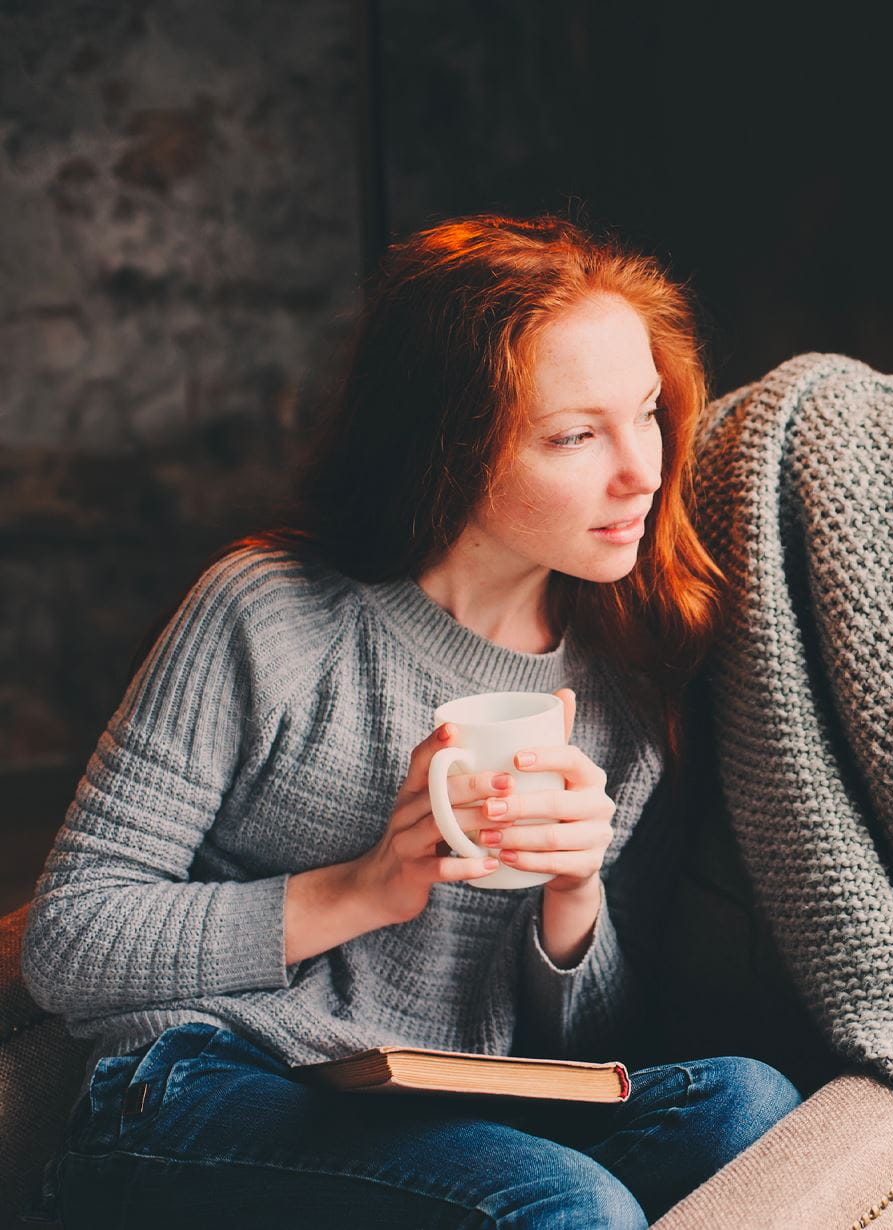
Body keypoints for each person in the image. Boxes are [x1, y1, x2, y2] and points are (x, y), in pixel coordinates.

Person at [20, 212, 804, 1228]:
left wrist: (573, 899)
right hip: (196, 1088)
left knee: (751, 1108)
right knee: (570, 1205)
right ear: (451, 445)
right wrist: (361, 891)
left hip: (433, 1107)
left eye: (646, 412)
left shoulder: (622, 675)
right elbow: (68, 943)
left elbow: (586, 1045)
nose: (642, 471)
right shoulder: (271, 612)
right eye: (575, 435)